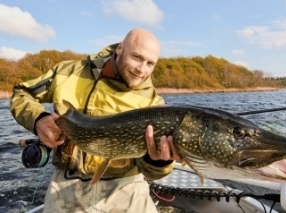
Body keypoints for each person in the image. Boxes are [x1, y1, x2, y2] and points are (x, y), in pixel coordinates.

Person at [10, 28, 181, 213]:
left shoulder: (155, 104)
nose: (142, 69)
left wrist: (159, 162)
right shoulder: (68, 73)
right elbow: (21, 93)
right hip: (67, 184)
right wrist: (38, 119)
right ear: (120, 49)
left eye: (150, 63)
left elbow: (153, 173)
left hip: (126, 187)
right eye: (137, 58)